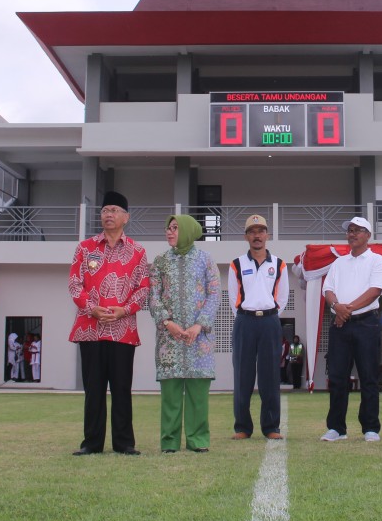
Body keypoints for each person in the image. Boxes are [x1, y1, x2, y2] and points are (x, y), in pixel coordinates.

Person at [68, 190, 150, 456]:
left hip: (122, 330)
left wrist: (123, 310)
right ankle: (91, 443)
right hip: (90, 329)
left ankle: (124, 443)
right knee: (93, 390)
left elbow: (143, 288)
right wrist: (92, 309)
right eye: (105, 211)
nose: (109, 215)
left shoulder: (137, 251)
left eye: (114, 210)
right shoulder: (85, 248)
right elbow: (74, 284)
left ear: (125, 217)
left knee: (121, 388)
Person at [149, 214, 220, 453]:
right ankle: (169, 442)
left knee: (198, 395)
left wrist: (199, 325)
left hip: (198, 339)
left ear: (188, 231)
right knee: (170, 394)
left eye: (175, 228)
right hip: (169, 339)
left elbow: (214, 294)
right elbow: (153, 296)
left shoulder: (205, 260)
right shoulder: (160, 261)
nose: (169, 232)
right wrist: (167, 322)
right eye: (168, 228)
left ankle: (198, 440)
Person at [320, 216, 382, 443]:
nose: (352, 234)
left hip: (366, 324)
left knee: (368, 376)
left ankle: (370, 427)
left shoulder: (377, 260)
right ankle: (336, 428)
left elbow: (375, 290)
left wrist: (344, 310)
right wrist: (336, 307)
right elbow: (328, 290)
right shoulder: (338, 263)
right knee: (338, 377)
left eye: (357, 230)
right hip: (340, 326)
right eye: (350, 230)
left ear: (368, 235)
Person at [228, 214, 288, 440]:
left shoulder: (279, 264)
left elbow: (281, 298)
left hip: (270, 321)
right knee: (242, 374)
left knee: (270, 374)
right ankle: (242, 427)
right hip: (244, 321)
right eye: (252, 231)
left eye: (261, 231)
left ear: (267, 235)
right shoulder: (237, 264)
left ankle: (271, 426)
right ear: (246, 236)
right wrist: (248, 315)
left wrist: (267, 315)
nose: (257, 235)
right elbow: (234, 298)